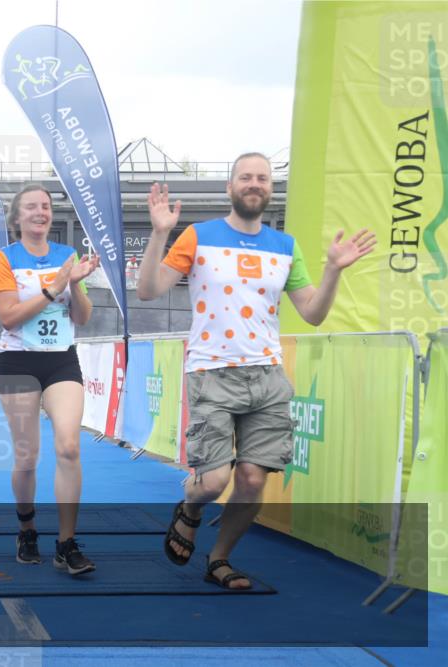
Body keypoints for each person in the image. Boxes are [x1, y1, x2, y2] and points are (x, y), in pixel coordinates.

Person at [138, 152, 375, 590]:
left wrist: (332, 272)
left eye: (262, 178)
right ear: (230, 187)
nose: (254, 184)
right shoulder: (198, 235)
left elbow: (313, 314)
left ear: (270, 189)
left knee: (250, 480)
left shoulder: (285, 247)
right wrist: (159, 234)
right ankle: (190, 508)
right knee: (213, 482)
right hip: (212, 372)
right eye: (245, 177)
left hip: (267, 376)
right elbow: (148, 290)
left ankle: (219, 560)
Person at [0, 184, 100, 576]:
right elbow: (8, 317)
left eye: (46, 206)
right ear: (17, 217)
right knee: (27, 456)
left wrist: (74, 283)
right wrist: (53, 288)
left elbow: (82, 317)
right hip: (18, 362)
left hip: (61, 361)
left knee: (69, 446)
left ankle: (66, 543)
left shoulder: (67, 256)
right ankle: (27, 529)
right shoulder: (5, 258)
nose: (41, 212)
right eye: (32, 206)